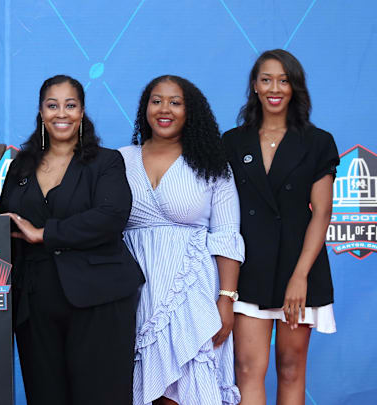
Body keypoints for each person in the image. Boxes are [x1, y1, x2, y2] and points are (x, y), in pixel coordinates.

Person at [0, 74, 144, 405]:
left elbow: (110, 217)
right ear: (40, 112)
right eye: (52, 105)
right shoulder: (19, 166)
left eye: (70, 105)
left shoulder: (105, 162)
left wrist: (44, 233)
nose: (61, 113)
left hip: (99, 298)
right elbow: (9, 223)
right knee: (45, 395)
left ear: (82, 112)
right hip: (35, 303)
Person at [223, 49, 338, 405]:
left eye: (284, 80)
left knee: (290, 368)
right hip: (249, 269)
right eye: (266, 79)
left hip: (298, 266)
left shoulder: (318, 142)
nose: (275, 88)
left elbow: (321, 212)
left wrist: (300, 275)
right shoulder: (231, 142)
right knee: (246, 369)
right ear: (255, 86)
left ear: (295, 87)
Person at [121, 75, 243, 405]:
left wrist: (226, 300)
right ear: (145, 108)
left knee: (192, 387)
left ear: (191, 112)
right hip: (135, 295)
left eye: (175, 102)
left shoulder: (212, 165)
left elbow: (227, 235)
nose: (165, 109)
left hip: (192, 294)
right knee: (147, 391)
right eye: (156, 100)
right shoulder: (119, 161)